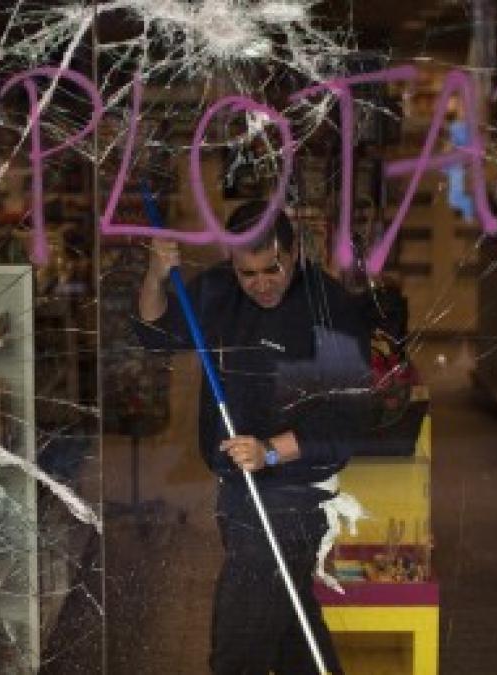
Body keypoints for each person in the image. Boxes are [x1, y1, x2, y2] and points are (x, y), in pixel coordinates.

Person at [134, 200, 376, 675]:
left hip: (294, 500)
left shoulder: (332, 309)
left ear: (295, 253)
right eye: (249, 274)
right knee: (293, 641)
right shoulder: (220, 292)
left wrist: (269, 451)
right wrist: (156, 276)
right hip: (241, 495)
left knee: (237, 652)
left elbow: (346, 424)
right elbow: (156, 334)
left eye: (273, 269)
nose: (262, 284)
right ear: (232, 264)